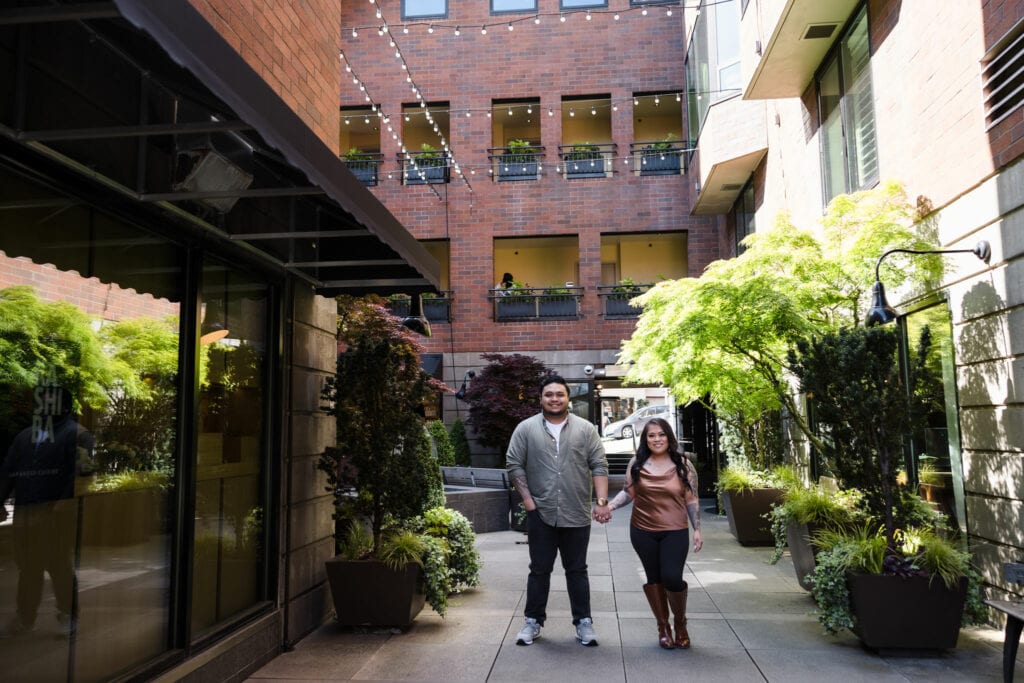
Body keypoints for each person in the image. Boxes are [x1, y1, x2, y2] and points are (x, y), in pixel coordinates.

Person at [507, 375, 609, 647]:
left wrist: (601, 502)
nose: (555, 399)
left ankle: (583, 622)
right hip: (540, 513)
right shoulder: (525, 429)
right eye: (549, 394)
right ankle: (532, 621)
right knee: (539, 570)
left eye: (560, 394)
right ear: (541, 398)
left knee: (577, 570)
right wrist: (529, 503)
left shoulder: (586, 430)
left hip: (576, 512)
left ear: (568, 398)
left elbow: (599, 464)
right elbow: (514, 465)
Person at [0, 385, 94, 638]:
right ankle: (25, 617)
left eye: (50, 402)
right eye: (41, 402)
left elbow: (82, 474)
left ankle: (68, 615)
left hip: (58, 513)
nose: (43, 408)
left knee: (59, 564)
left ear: (65, 407)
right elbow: (8, 471)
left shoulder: (77, 434)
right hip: (27, 511)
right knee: (28, 567)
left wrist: (64, 503)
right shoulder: (25, 436)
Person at [602, 417, 702, 649]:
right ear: (645, 439)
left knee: (672, 577)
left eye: (661, 434)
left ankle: (680, 623)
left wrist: (697, 529)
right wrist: (610, 506)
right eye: (651, 435)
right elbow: (628, 492)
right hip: (642, 530)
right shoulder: (637, 463)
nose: (657, 439)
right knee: (654, 577)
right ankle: (663, 627)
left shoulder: (683, 464)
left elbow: (691, 499)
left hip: (675, 530)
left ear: (669, 437)